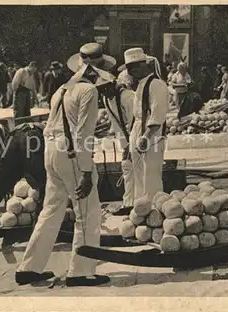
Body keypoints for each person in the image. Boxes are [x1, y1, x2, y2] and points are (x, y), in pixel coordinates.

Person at [15, 43, 116, 287]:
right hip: (71, 154)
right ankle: (80, 272)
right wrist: (84, 171)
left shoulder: (61, 89)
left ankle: (29, 268)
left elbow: (53, 126)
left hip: (52, 151)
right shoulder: (88, 91)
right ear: (97, 69)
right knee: (87, 212)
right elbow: (82, 134)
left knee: (51, 209)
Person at [124, 47, 169, 202]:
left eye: (133, 67)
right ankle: (140, 209)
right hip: (137, 132)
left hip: (151, 136)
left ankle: (153, 209)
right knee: (138, 177)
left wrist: (146, 137)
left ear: (144, 65)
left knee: (150, 177)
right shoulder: (140, 85)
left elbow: (158, 114)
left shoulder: (157, 85)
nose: (130, 71)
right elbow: (136, 115)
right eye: (128, 68)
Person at [102, 71, 136, 211]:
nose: (104, 92)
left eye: (106, 88)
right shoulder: (106, 99)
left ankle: (136, 203)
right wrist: (124, 146)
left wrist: (131, 145)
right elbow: (117, 125)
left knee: (139, 173)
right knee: (127, 167)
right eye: (100, 90)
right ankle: (129, 203)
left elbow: (136, 123)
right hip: (127, 140)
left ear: (113, 84)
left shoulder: (128, 97)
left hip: (141, 139)